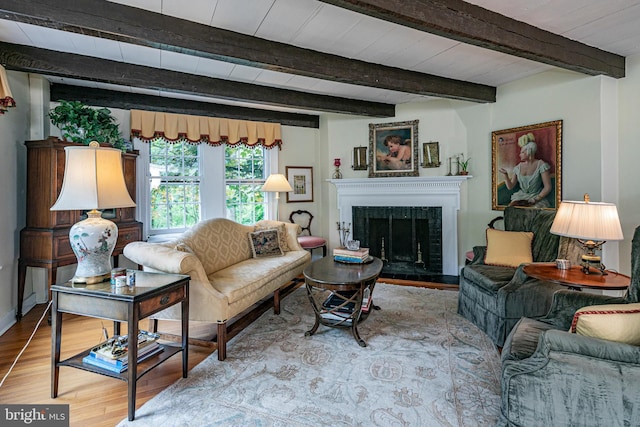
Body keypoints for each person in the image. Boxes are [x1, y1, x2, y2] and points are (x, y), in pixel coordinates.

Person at [499, 133, 552, 207]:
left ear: (529, 152)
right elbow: (510, 186)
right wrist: (505, 175)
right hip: (520, 197)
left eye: (522, 152)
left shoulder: (541, 165)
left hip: (536, 197)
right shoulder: (518, 167)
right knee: (512, 208)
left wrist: (536, 199)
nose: (520, 154)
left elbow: (548, 187)